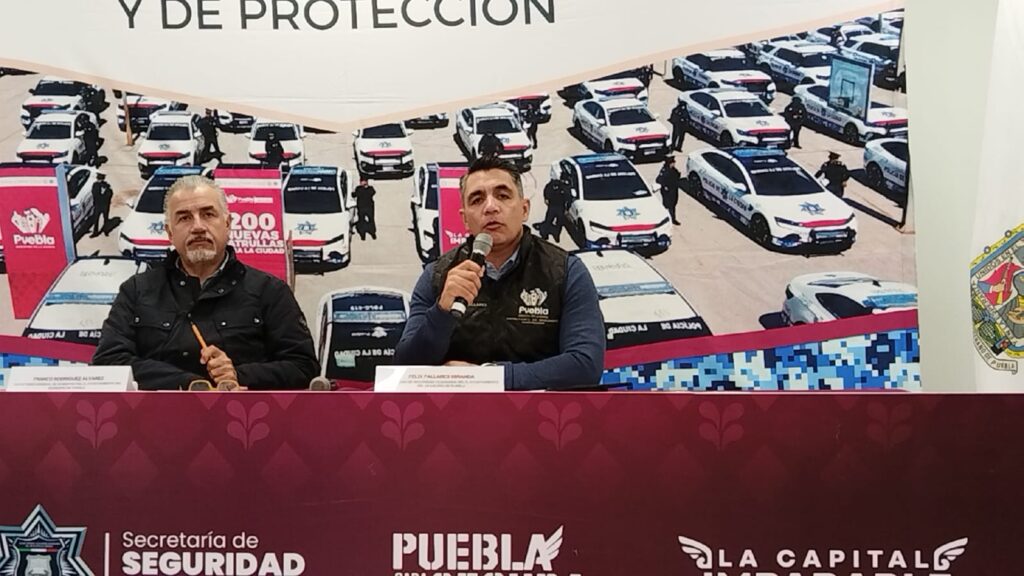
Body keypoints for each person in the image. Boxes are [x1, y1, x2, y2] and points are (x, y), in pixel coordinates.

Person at [394, 156, 605, 390]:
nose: (491, 207)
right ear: (465, 219)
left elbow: (585, 365)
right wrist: (441, 313)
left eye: (503, 196)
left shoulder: (566, 271)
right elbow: (405, 369)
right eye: (477, 199)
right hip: (456, 411)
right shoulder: (437, 275)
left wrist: (488, 377)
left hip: (538, 411)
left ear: (524, 209)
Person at [92, 175, 319, 391]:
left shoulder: (270, 291)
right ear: (169, 232)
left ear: (227, 223)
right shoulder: (136, 291)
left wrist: (238, 375)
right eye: (184, 218)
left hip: (243, 416)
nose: (198, 227)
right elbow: (108, 363)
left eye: (208, 214)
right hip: (157, 417)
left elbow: (304, 367)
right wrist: (187, 383)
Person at [538, 176, 569, 242]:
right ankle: (544, 235)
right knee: (548, 221)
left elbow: (567, 197)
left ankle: (556, 235)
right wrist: (546, 198)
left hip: (560, 207)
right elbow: (546, 191)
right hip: (552, 206)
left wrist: (567, 208)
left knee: (559, 223)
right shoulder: (550, 185)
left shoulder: (563, 187)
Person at [656, 155, 682, 225]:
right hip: (667, 191)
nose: (674, 163)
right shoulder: (665, 170)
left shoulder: (673, 169)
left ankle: (673, 219)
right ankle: (663, 219)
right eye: (673, 162)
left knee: (673, 205)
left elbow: (677, 175)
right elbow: (658, 180)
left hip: (673, 189)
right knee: (667, 205)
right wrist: (665, 186)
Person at [89, 172, 113, 238]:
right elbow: (94, 193)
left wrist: (105, 197)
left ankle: (106, 230)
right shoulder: (95, 185)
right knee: (96, 219)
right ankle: (95, 232)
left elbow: (110, 194)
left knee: (105, 219)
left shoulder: (107, 186)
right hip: (98, 204)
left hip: (105, 205)